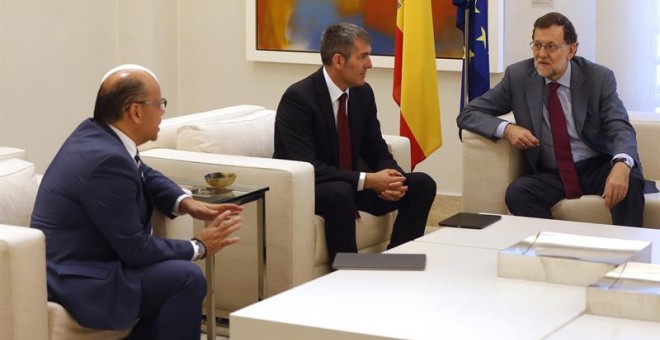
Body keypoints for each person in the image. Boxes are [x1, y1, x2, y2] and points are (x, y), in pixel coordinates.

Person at [30, 64, 243, 339]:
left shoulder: (97, 135)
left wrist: (185, 202)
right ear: (136, 111)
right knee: (186, 277)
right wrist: (199, 246)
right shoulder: (107, 160)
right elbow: (136, 250)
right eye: (160, 103)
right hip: (79, 279)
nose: (164, 111)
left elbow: (142, 171)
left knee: (176, 278)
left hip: (83, 264)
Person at [457, 12, 648, 227]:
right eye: (537, 45)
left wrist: (622, 165)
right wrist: (507, 129)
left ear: (572, 50)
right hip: (552, 172)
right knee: (518, 193)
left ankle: (629, 254)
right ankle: (554, 246)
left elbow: (620, 126)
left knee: (629, 181)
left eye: (551, 47)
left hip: (597, 166)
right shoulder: (518, 77)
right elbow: (468, 113)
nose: (541, 54)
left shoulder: (598, 78)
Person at [273, 23, 436, 262]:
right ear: (339, 60)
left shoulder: (362, 92)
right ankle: (347, 273)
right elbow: (307, 166)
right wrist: (369, 180)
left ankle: (397, 261)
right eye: (363, 57)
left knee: (421, 183)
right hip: (316, 186)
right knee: (340, 192)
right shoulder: (299, 98)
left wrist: (394, 178)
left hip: (353, 185)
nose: (369, 64)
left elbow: (375, 146)